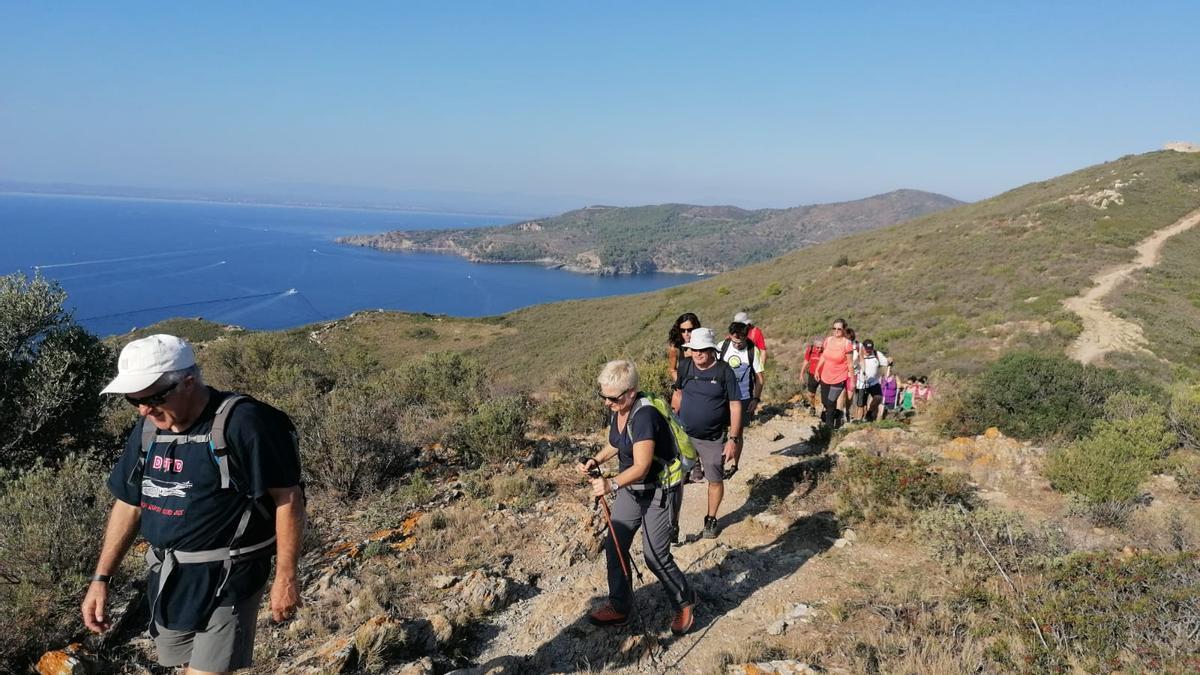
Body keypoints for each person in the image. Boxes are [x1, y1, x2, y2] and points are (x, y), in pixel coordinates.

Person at [81, 334, 305, 675]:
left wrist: (286, 577)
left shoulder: (245, 422)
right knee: (185, 666)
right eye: (133, 400)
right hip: (169, 580)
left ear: (188, 382)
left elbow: (287, 498)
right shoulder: (147, 430)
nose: (144, 409)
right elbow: (129, 504)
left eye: (154, 397)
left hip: (229, 576)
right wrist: (101, 578)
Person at [580, 360, 695, 634]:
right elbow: (616, 442)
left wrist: (610, 485)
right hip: (632, 491)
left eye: (613, 398)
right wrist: (596, 460)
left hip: (658, 491)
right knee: (615, 546)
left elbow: (642, 466)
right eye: (603, 396)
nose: (607, 403)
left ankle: (684, 602)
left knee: (655, 556)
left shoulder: (644, 416)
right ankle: (620, 607)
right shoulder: (619, 409)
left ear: (631, 392)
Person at [671, 327, 742, 539]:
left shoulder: (723, 371)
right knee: (676, 480)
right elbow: (678, 394)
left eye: (702, 349)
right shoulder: (684, 367)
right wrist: (671, 424)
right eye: (694, 349)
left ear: (712, 349)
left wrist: (733, 440)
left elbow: (735, 406)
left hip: (712, 438)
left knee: (715, 479)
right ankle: (672, 523)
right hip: (684, 435)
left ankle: (711, 519)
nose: (698, 353)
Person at [718, 321, 765, 424]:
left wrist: (756, 399)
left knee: (740, 431)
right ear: (730, 336)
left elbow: (759, 378)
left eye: (740, 342)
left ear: (746, 336)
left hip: (744, 398)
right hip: (723, 397)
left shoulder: (752, 350)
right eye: (734, 342)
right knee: (721, 429)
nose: (737, 345)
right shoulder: (722, 346)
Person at [814, 319, 855, 429]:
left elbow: (850, 364)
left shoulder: (847, 344)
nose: (836, 331)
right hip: (825, 376)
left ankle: (828, 430)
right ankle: (838, 414)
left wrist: (853, 382)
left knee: (831, 403)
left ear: (844, 330)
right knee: (825, 402)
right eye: (834, 328)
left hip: (839, 377)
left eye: (839, 329)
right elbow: (824, 356)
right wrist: (818, 369)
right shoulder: (828, 340)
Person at [854, 339, 890, 422]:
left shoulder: (877, 354)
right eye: (866, 350)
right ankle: (858, 421)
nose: (868, 351)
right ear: (863, 347)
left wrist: (889, 360)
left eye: (870, 350)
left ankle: (869, 413)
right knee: (861, 405)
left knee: (878, 398)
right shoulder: (858, 355)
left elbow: (886, 362)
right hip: (861, 383)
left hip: (873, 382)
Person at [667, 313, 701, 384]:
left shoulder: (704, 345)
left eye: (690, 330)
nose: (686, 334)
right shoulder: (675, 348)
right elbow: (672, 369)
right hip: (685, 387)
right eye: (682, 330)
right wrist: (680, 384)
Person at [802, 336, 824, 410]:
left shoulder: (825, 351)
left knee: (825, 395)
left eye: (821, 347)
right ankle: (812, 407)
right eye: (818, 347)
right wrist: (801, 373)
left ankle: (826, 411)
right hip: (812, 374)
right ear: (814, 346)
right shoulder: (810, 350)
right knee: (811, 394)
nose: (819, 349)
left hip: (823, 375)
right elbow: (806, 361)